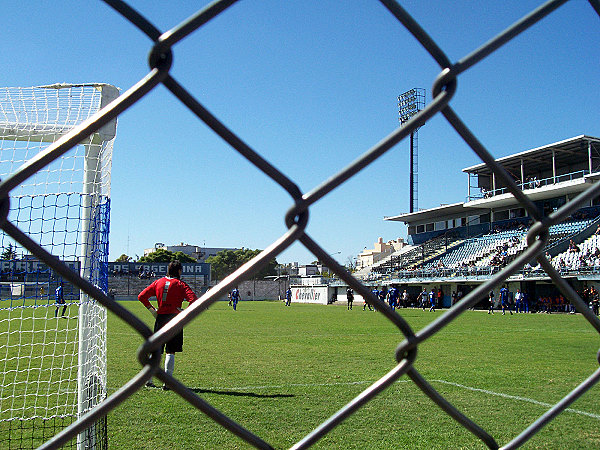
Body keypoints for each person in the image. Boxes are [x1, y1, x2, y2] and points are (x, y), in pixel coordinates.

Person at [138, 260, 198, 390]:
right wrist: (184, 312)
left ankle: (148, 379)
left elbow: (142, 296)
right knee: (171, 351)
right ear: (179, 271)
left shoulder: (158, 282)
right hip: (175, 319)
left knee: (156, 350)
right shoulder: (181, 284)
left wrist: (152, 310)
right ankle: (167, 382)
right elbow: (193, 299)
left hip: (160, 319)